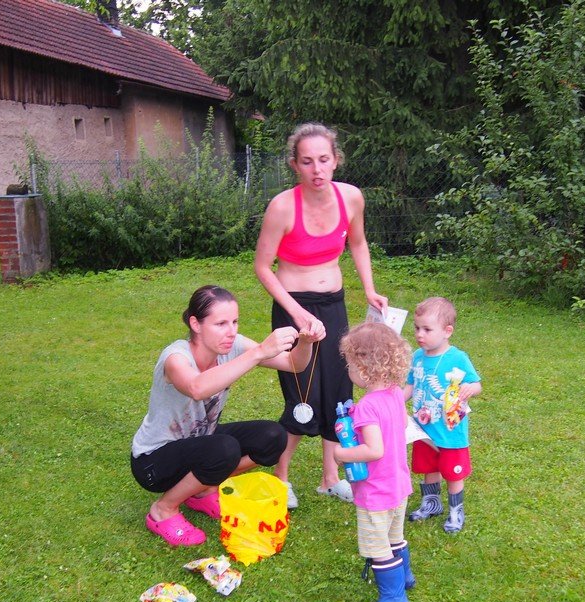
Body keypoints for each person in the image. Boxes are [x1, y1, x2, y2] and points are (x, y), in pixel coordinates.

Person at [254, 122, 388, 510]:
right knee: (304, 395)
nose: (317, 169)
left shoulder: (351, 198)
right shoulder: (282, 207)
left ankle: (330, 479)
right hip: (293, 307)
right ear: (295, 165)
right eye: (307, 161)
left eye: (324, 160)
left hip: (334, 306)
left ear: (336, 160)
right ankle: (281, 479)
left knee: (339, 393)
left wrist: (369, 289)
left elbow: (358, 243)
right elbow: (262, 267)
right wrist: (296, 314)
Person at [131, 285, 322, 547]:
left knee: (273, 437)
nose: (231, 331)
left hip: (199, 441)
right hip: (154, 461)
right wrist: (258, 352)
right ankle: (163, 509)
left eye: (234, 322)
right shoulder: (175, 357)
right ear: (196, 324)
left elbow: (294, 364)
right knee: (224, 449)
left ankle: (202, 490)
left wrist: (306, 342)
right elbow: (197, 388)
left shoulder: (233, 345)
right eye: (221, 324)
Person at [334, 322, 413, 602]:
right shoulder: (395, 394)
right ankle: (405, 576)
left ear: (364, 367)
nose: (349, 370)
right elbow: (403, 425)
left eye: (350, 363)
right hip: (398, 485)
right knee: (395, 536)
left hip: (376, 491)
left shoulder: (367, 406)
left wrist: (341, 453)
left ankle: (394, 598)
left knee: (378, 547)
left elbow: (373, 450)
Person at [403, 297, 483, 534]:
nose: (420, 334)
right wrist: (394, 401)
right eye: (417, 328)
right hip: (424, 428)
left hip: (450, 430)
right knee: (429, 466)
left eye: (427, 329)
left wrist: (470, 389)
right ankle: (431, 504)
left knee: (452, 470)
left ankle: (456, 510)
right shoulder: (417, 357)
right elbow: (410, 385)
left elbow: (476, 384)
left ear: (447, 331)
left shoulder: (457, 358)